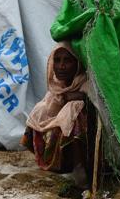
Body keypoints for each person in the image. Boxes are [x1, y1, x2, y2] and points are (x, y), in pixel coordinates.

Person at [22, 43, 94, 186]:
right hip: (61, 154)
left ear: (78, 64)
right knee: (41, 110)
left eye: (67, 61)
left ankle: (79, 169)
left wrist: (81, 98)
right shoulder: (57, 87)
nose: (61, 66)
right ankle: (53, 163)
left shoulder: (87, 86)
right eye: (57, 60)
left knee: (73, 110)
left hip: (87, 151)